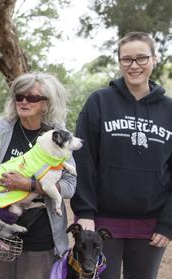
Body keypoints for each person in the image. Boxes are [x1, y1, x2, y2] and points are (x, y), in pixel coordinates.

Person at [72, 32, 172, 279]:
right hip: (103, 221)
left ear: (154, 59)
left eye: (141, 58)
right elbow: (83, 161)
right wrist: (84, 211)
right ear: (119, 62)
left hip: (151, 223)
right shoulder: (99, 102)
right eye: (127, 59)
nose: (134, 65)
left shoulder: (169, 109)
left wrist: (168, 222)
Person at [0, 72, 75, 279]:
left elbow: (70, 184)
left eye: (33, 97)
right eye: (19, 96)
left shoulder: (58, 135)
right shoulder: (1, 129)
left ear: (47, 104)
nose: (24, 101)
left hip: (41, 231)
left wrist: (30, 185)